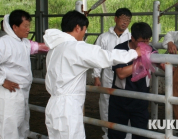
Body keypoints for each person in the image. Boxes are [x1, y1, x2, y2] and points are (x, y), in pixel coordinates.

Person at [43, 10, 141, 139]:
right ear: (78, 28)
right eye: (84, 30)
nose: (84, 34)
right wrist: (134, 53)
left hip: (54, 105)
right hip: (67, 109)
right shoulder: (76, 47)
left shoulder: (55, 49)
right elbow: (106, 56)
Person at [0, 9, 48, 139]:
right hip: (10, 93)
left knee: (22, 126)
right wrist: (2, 80)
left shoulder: (25, 43)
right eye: (25, 26)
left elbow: (42, 47)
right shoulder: (3, 43)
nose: (28, 29)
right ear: (14, 27)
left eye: (29, 26)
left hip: (23, 91)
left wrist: (65, 41)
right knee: (9, 128)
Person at [108, 22, 160, 139]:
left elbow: (163, 65)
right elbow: (121, 73)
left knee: (140, 134)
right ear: (132, 38)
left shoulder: (151, 50)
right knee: (116, 134)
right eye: (142, 42)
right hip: (120, 100)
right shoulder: (120, 49)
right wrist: (142, 62)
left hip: (141, 100)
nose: (145, 44)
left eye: (148, 41)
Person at [92, 8, 132, 139]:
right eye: (122, 19)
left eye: (128, 20)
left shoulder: (131, 38)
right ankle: (107, 132)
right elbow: (97, 57)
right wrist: (96, 76)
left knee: (126, 103)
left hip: (126, 76)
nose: (125, 22)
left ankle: (127, 134)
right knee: (106, 103)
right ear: (115, 18)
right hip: (108, 75)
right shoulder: (104, 37)